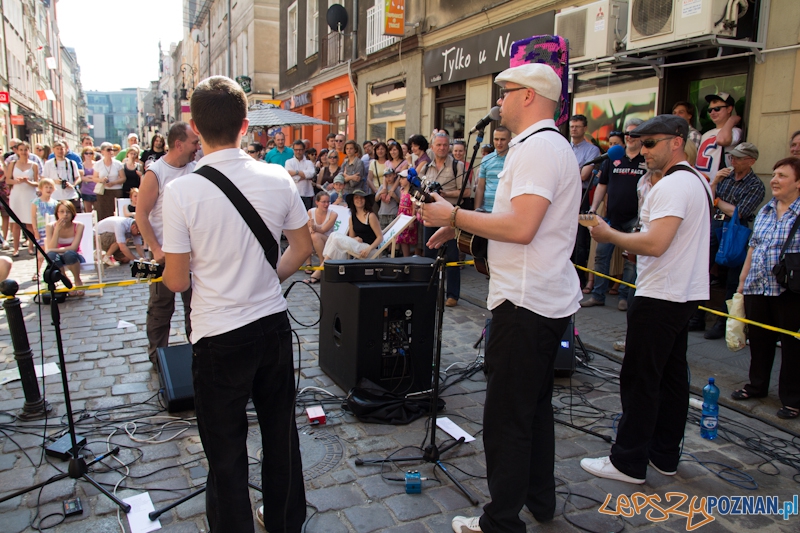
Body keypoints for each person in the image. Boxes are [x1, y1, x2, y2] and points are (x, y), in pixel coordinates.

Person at [421, 63, 580, 533]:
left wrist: (456, 214)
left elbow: (522, 228)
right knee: (533, 408)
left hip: (526, 304)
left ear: (528, 96)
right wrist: (460, 226)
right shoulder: (548, 146)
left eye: (504, 92)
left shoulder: (536, 149)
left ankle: (501, 521)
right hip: (540, 299)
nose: (498, 103)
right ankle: (540, 500)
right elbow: (522, 226)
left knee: (508, 416)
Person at [162, 76, 310, 533]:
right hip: (270, 325)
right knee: (280, 435)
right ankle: (284, 521)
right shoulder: (277, 175)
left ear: (195, 127)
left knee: (225, 451)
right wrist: (270, 276)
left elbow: (176, 280)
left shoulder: (181, 191)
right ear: (245, 125)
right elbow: (303, 248)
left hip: (218, 335)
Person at [581, 115, 711, 485]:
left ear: (677, 142)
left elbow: (655, 243)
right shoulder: (694, 182)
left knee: (640, 379)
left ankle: (628, 461)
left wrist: (609, 235)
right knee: (670, 378)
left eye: (650, 143)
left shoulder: (673, 185)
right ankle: (663, 455)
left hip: (662, 294)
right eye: (639, 142)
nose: (642, 151)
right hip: (680, 292)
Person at [733, 157, 800, 419]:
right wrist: (742, 281)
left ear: (798, 183)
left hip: (789, 290)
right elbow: (754, 246)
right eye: (774, 174)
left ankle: (792, 399)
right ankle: (757, 386)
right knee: (759, 340)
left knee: (792, 346)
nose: (774, 179)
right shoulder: (766, 210)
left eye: (782, 175)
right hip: (757, 285)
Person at [136, 121, 199, 365]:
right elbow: (141, 214)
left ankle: (198, 351)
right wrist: (155, 248)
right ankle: (157, 358)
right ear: (178, 144)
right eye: (194, 142)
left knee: (195, 307)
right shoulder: (155, 173)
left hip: (193, 256)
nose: (197, 147)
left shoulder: (195, 168)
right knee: (160, 308)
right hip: (163, 255)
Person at [692, 142, 766, 339]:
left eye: (739, 158)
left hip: (736, 231)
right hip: (715, 225)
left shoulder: (756, 185)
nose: (733, 161)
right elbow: (708, 199)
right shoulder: (725, 176)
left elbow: (739, 212)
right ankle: (696, 316)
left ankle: (722, 322)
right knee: (701, 270)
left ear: (751, 161)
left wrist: (718, 202)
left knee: (733, 279)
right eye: (732, 157)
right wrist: (715, 182)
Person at [581, 119, 646, 311]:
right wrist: (593, 208)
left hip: (635, 218)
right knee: (601, 256)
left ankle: (625, 296)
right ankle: (598, 295)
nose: (629, 137)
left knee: (630, 262)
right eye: (627, 133)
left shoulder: (645, 159)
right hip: (611, 216)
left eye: (634, 134)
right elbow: (602, 185)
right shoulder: (613, 157)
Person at [419, 131, 465, 307]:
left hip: (450, 217)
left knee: (452, 256)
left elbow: (466, 192)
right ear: (432, 147)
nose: (442, 148)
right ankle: (430, 290)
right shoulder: (425, 167)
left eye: (445, 145)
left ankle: (453, 294)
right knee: (429, 255)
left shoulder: (457, 166)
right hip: (430, 216)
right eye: (438, 145)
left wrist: (444, 194)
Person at [309, 191, 382, 283]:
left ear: (365, 200)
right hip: (358, 246)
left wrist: (368, 249)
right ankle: (324, 268)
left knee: (334, 236)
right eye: (356, 198)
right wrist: (355, 239)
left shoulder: (370, 216)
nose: (359, 200)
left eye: (361, 198)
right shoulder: (352, 218)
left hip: (369, 250)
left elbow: (380, 237)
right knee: (334, 237)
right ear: (353, 201)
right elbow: (351, 238)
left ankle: (321, 270)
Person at [696, 92, 742, 180]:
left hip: (720, 185)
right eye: (710, 110)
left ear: (729, 109)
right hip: (703, 183)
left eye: (717, 109)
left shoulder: (735, 131)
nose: (712, 112)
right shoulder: (705, 134)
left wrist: (732, 120)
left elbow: (722, 140)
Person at [45, 200, 86, 296]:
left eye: (68, 211)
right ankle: (66, 281)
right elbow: (51, 247)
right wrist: (57, 231)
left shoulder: (79, 225)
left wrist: (52, 250)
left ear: (72, 213)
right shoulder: (50, 226)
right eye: (62, 212)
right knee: (51, 255)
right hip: (58, 257)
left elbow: (74, 248)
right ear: (57, 213)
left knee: (69, 254)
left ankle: (77, 279)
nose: (65, 214)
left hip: (75, 255)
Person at [7, 142, 39, 256]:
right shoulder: (12, 163)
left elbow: (37, 182)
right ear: (17, 151)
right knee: (16, 223)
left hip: (30, 194)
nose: (23, 152)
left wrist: (28, 181)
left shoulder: (34, 165)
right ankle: (15, 248)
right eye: (21, 150)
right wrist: (17, 181)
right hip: (16, 195)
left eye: (25, 150)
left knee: (30, 223)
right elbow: (8, 180)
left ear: (29, 151)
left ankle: (31, 247)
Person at [304, 191, 338, 284]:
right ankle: (308, 263)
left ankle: (322, 263)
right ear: (317, 202)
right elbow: (308, 227)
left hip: (328, 240)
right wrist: (311, 228)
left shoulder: (333, 214)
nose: (326, 204)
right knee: (308, 235)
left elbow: (323, 230)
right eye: (323, 202)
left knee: (315, 235)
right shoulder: (311, 212)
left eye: (328, 202)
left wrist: (314, 227)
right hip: (315, 237)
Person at [475, 126, 510, 213]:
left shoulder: (514, 158)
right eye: (496, 139)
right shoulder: (486, 159)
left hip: (506, 211)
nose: (499, 143)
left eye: (503, 139)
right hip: (487, 210)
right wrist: (476, 210)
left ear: (510, 140)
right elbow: (480, 187)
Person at [31, 179, 58, 280]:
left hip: (52, 229)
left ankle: (52, 271)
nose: (48, 189)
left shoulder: (55, 203)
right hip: (41, 229)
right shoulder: (36, 202)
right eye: (46, 187)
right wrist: (35, 230)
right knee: (41, 252)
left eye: (50, 187)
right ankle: (37, 272)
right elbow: (33, 217)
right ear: (41, 188)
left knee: (51, 251)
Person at [43, 141, 81, 208]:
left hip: (71, 195)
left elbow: (78, 178)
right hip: (55, 196)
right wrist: (54, 181)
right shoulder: (48, 163)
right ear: (53, 149)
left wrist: (72, 185)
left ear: (65, 149)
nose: (60, 151)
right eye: (57, 149)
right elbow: (44, 178)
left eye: (61, 149)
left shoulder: (72, 163)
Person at [94, 142, 126, 220]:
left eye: (112, 150)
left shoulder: (118, 163)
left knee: (115, 211)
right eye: (108, 150)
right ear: (102, 152)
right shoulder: (98, 164)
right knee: (102, 211)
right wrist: (101, 180)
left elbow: (123, 178)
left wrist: (113, 183)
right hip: (103, 191)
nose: (111, 152)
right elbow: (94, 178)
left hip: (115, 190)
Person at [285, 139, 317, 210]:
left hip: (307, 194)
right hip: (294, 195)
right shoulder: (289, 162)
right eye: (296, 150)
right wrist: (304, 176)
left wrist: (296, 173)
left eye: (300, 150)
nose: (298, 152)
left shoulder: (309, 163)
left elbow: (311, 174)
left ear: (304, 150)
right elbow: (289, 177)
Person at [395, 169, 417, 257]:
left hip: (408, 217)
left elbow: (413, 206)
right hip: (401, 216)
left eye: (402, 178)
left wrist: (412, 220)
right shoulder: (401, 190)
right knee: (402, 239)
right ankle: (405, 256)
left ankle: (407, 257)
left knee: (407, 239)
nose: (400, 180)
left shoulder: (413, 192)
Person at [79, 146, 98, 213]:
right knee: (88, 211)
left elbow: (99, 176)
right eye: (86, 153)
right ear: (83, 154)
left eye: (91, 153)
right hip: (86, 191)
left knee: (97, 211)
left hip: (96, 190)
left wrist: (88, 178)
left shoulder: (97, 164)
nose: (88, 155)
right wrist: (92, 178)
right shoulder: (81, 165)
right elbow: (80, 177)